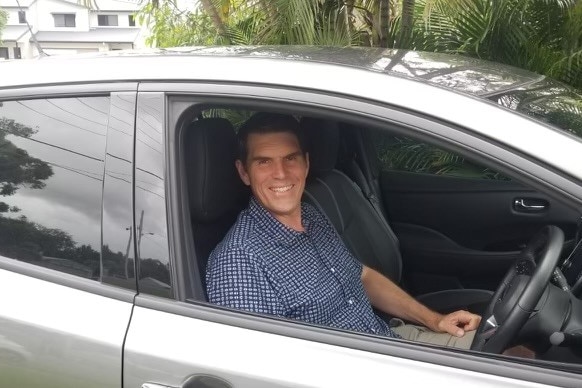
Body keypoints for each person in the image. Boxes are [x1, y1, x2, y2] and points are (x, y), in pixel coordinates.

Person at [206, 112, 481, 349]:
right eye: (264, 162)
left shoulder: (311, 216)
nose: (281, 173)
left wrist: (434, 320)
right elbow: (263, 372)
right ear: (243, 172)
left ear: (306, 163)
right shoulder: (238, 262)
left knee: (504, 348)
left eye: (291, 158)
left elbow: (361, 276)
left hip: (389, 339)